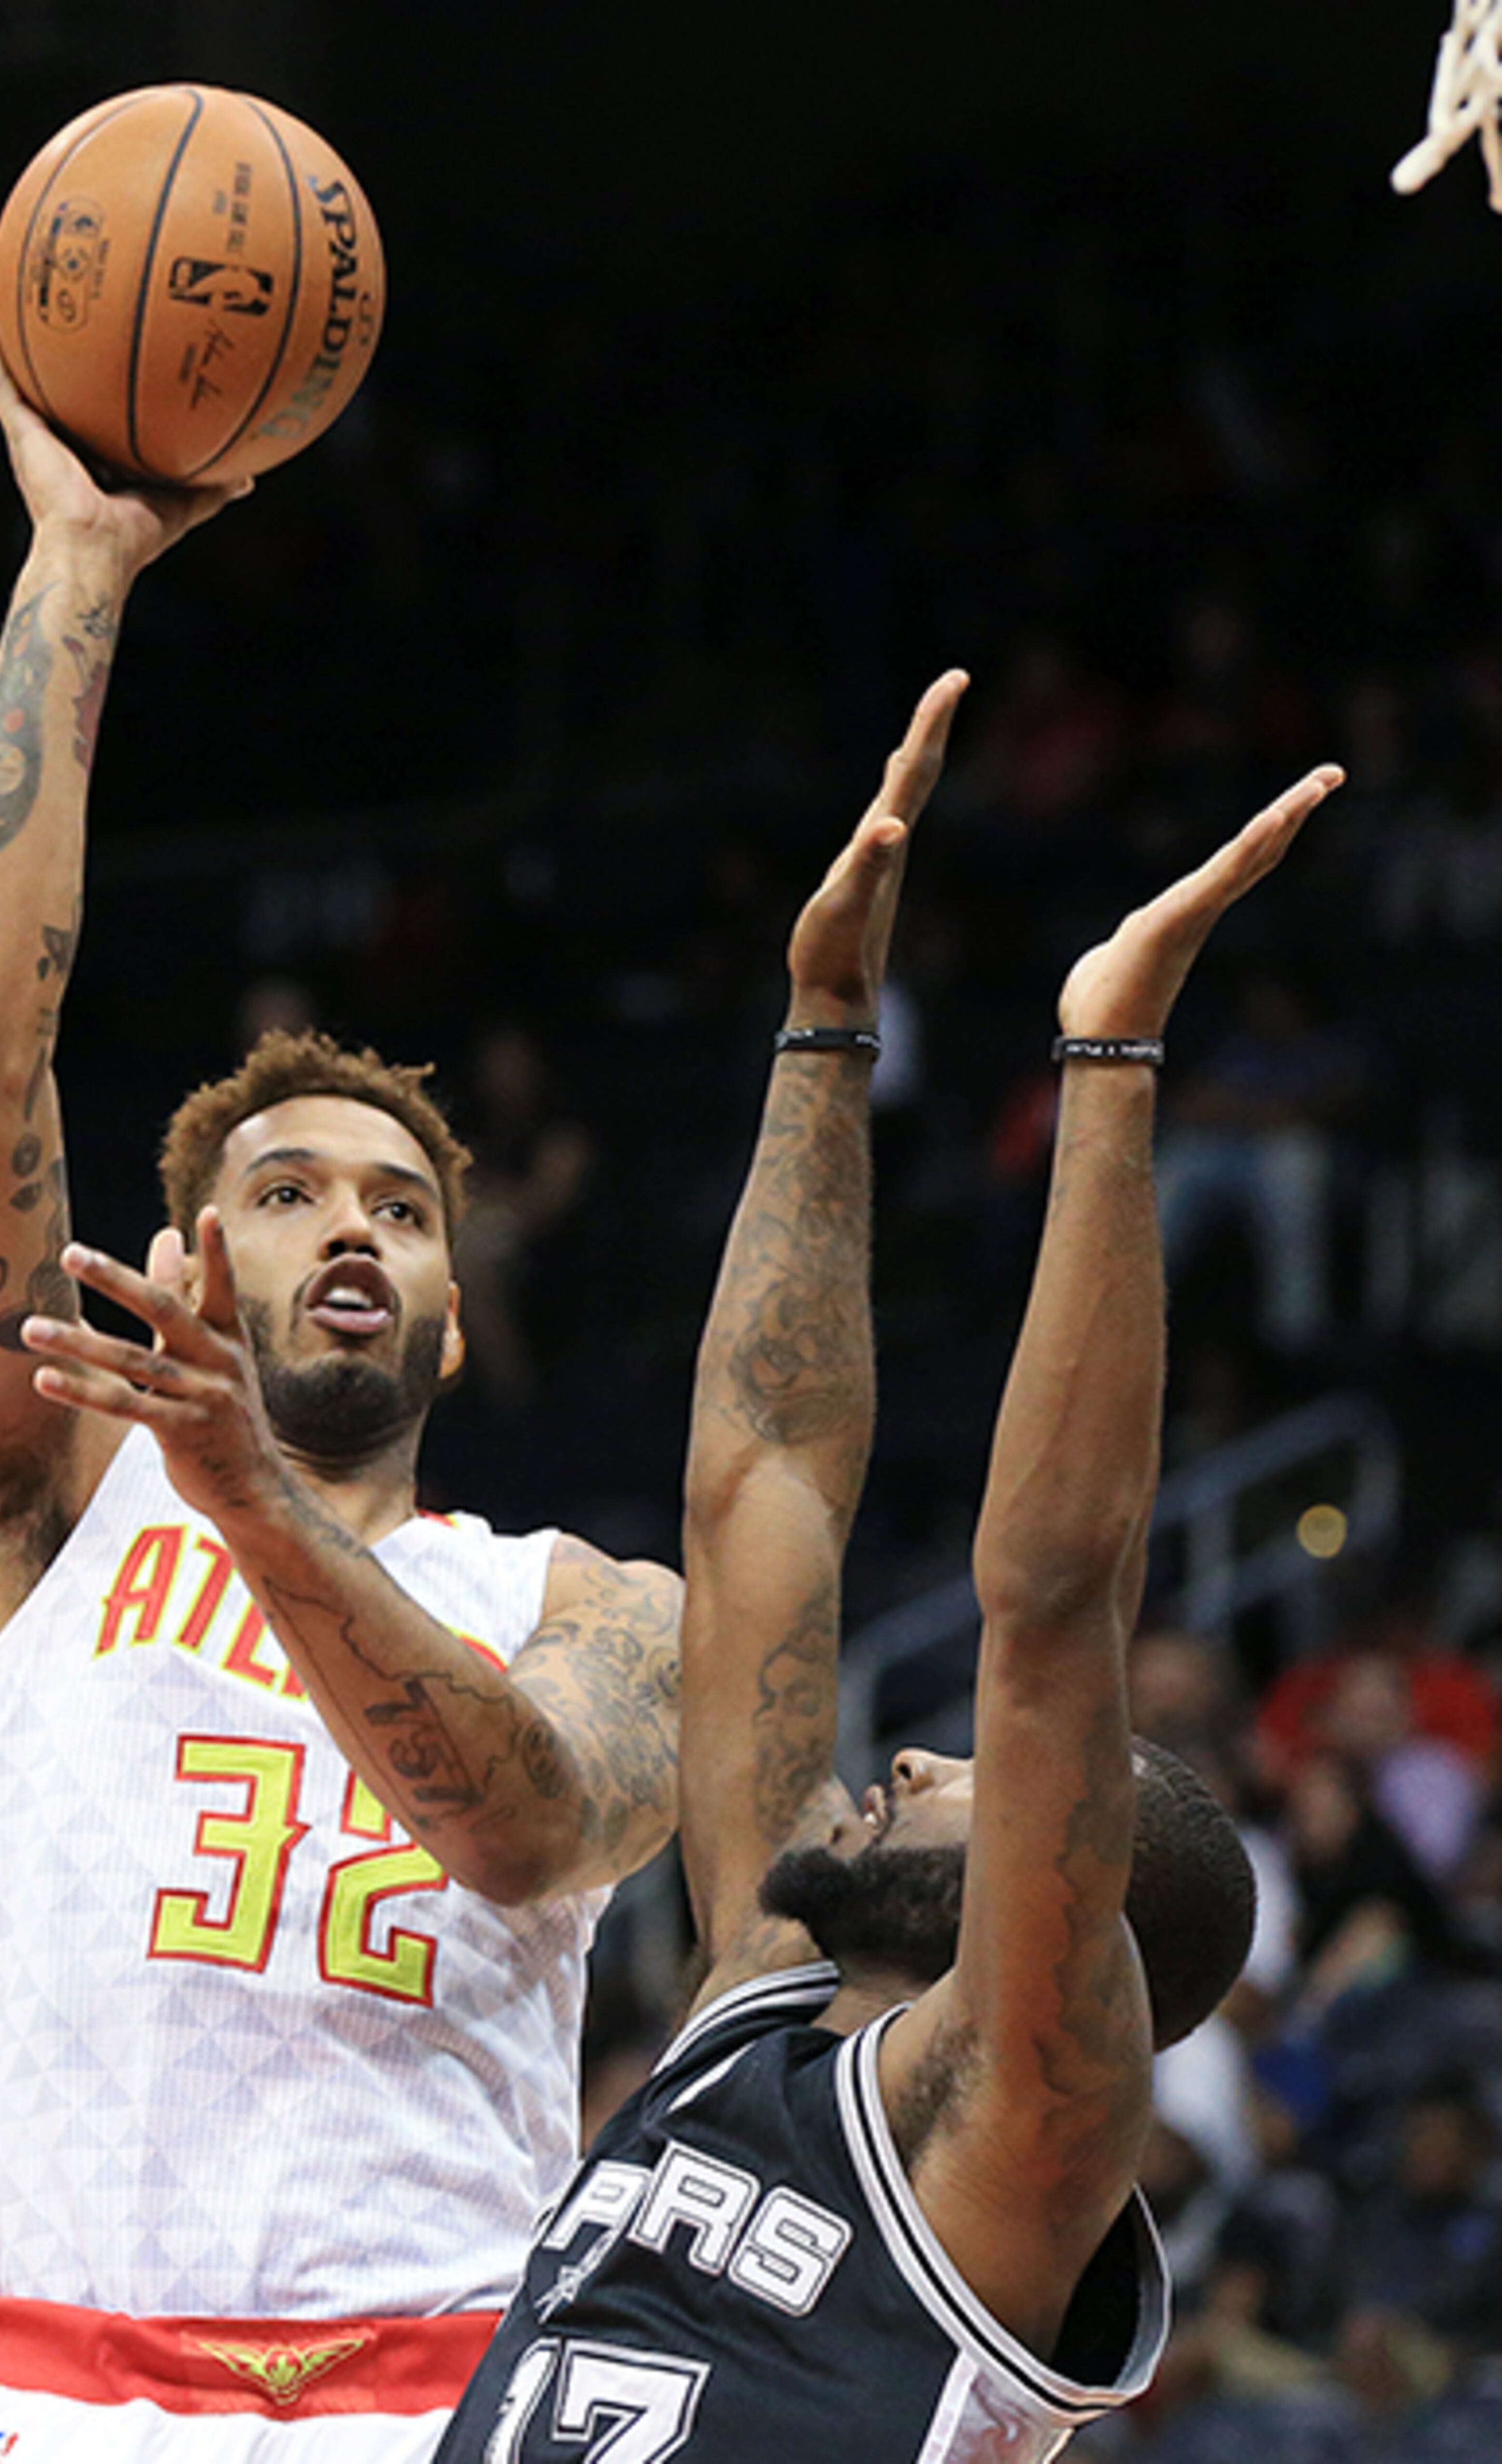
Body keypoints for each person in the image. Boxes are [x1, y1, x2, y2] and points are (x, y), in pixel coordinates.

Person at [0, 311, 683, 2462]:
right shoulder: (41, 1519)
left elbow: (528, 1830)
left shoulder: (593, 1603)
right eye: (287, 1192)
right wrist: (77, 569)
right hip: (62, 2396)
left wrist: (254, 1499)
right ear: (185, 1268)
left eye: (403, 1211)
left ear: (448, 1313)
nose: (353, 1226)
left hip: (439, 2402)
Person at [438, 687, 1344, 2462]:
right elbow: (762, 1480)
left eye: (979, 1779)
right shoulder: (757, 1992)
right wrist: (825, 1024)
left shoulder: (1020, 2121)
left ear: (1067, 1885)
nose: (914, 1756)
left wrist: (1109, 1068)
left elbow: (1055, 1606)